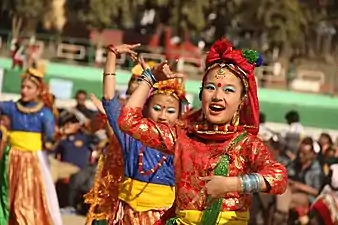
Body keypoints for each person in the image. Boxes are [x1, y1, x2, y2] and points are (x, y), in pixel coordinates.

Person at [117, 38, 288, 225]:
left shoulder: (246, 144)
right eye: (210, 88)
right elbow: (128, 121)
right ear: (201, 94)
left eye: (229, 90)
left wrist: (232, 184)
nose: (217, 96)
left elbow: (279, 177)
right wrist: (150, 79)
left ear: (242, 101)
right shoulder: (181, 136)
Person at [86, 43, 187, 225]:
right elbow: (109, 99)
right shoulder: (131, 135)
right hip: (126, 215)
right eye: (157, 108)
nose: (163, 116)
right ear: (146, 108)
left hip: (162, 217)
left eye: (170, 111)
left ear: (180, 114)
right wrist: (112, 55)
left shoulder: (182, 140)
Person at [0, 68, 62, 225]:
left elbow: (49, 142)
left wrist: (58, 136)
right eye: (22, 86)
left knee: (26, 199)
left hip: (32, 161)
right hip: (11, 157)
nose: (24, 91)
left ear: (38, 90)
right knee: (7, 195)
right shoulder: (11, 108)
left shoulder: (45, 114)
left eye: (29, 88)